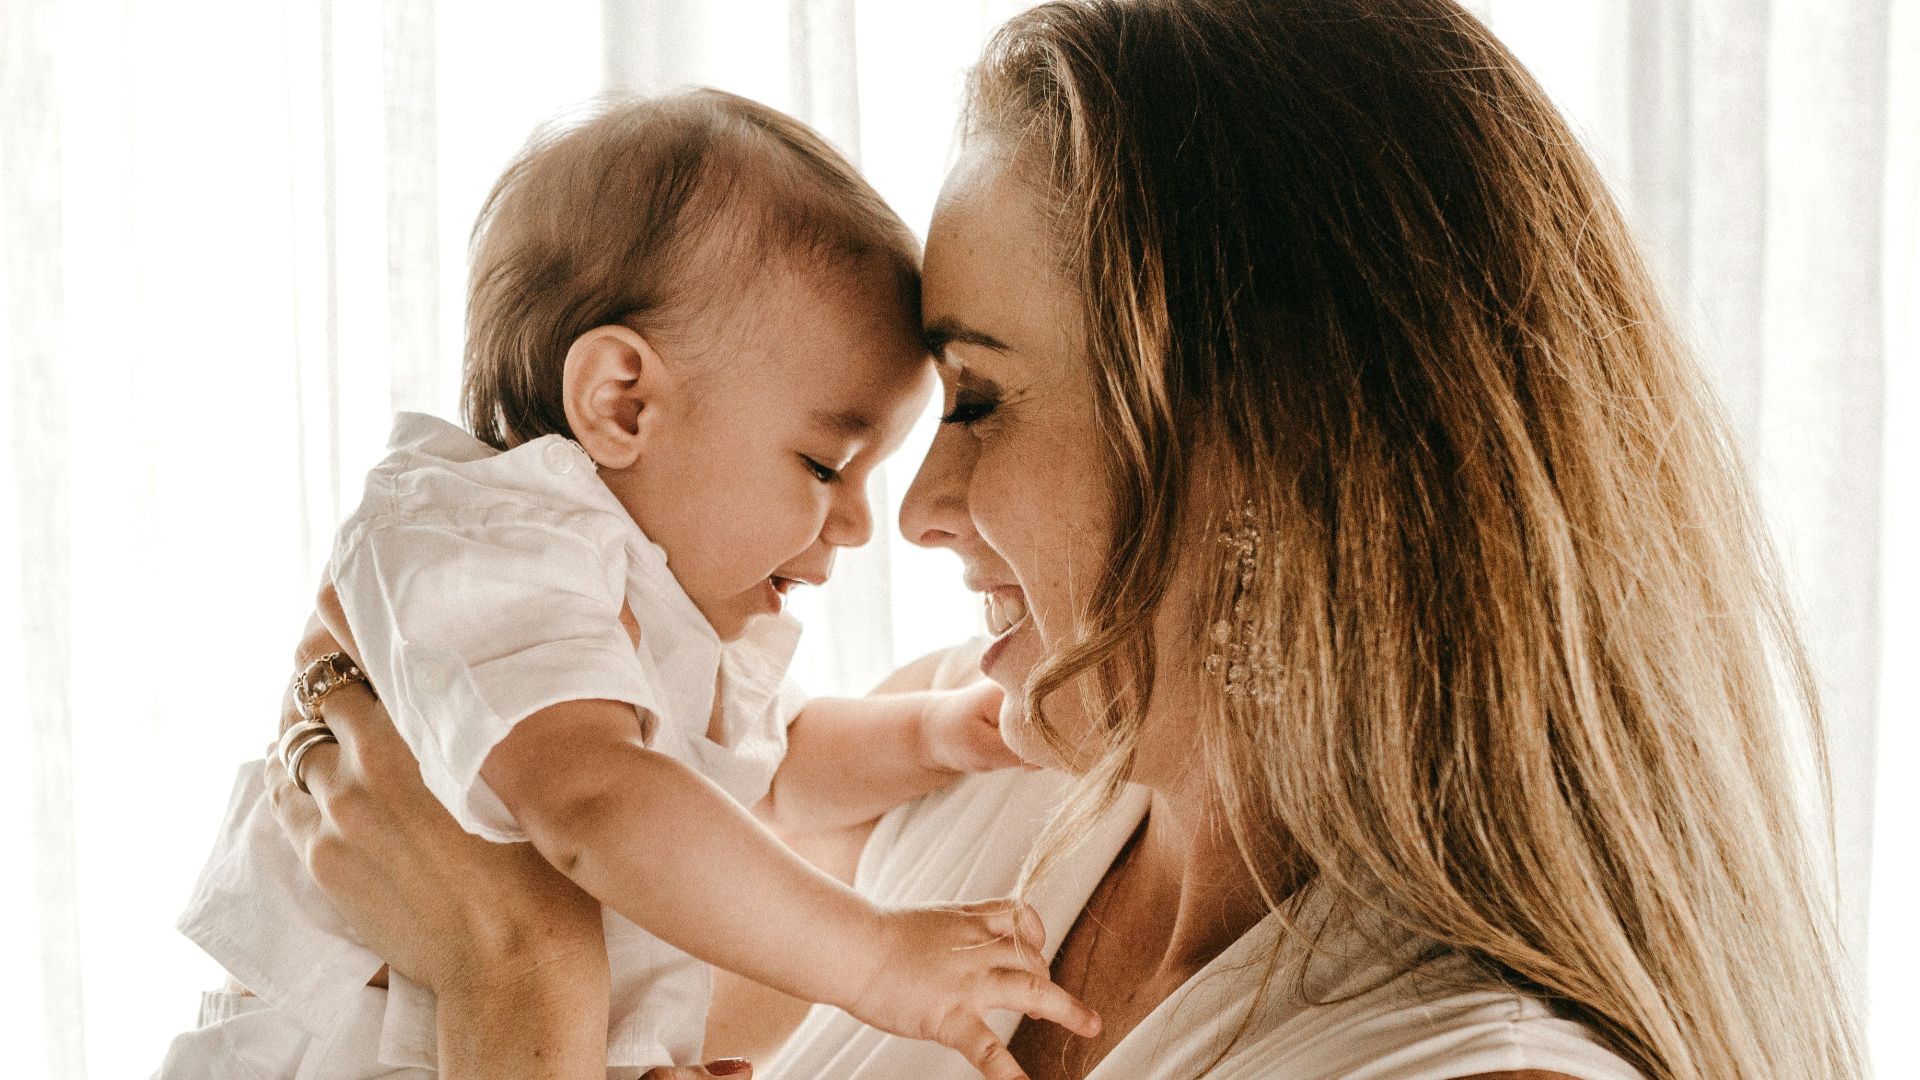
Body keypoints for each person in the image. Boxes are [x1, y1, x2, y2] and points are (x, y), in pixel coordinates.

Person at [263, 1, 1870, 1078]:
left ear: (1264, 448)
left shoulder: (1458, 1062)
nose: (911, 512)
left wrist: (507, 972)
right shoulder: (970, 791)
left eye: (975, 401)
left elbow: (551, 945)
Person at [158, 90, 1096, 1080]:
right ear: (623, 402)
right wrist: (876, 957)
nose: (865, 524)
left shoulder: (649, 605)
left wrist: (935, 733)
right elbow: (600, 799)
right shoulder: (481, 535)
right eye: (826, 467)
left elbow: (764, 774)